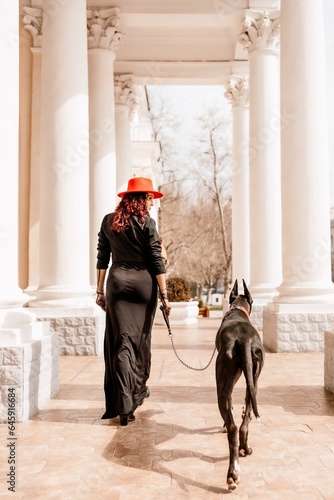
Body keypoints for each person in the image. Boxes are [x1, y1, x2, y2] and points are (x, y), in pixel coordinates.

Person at [96, 176, 171, 426]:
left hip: (117, 283)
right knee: (140, 341)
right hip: (143, 286)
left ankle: (123, 403)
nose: (151, 203)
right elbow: (156, 260)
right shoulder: (147, 223)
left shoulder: (109, 221)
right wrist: (165, 295)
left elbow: (102, 256)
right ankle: (136, 392)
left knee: (121, 342)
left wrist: (99, 291)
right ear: (141, 199)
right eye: (149, 198)